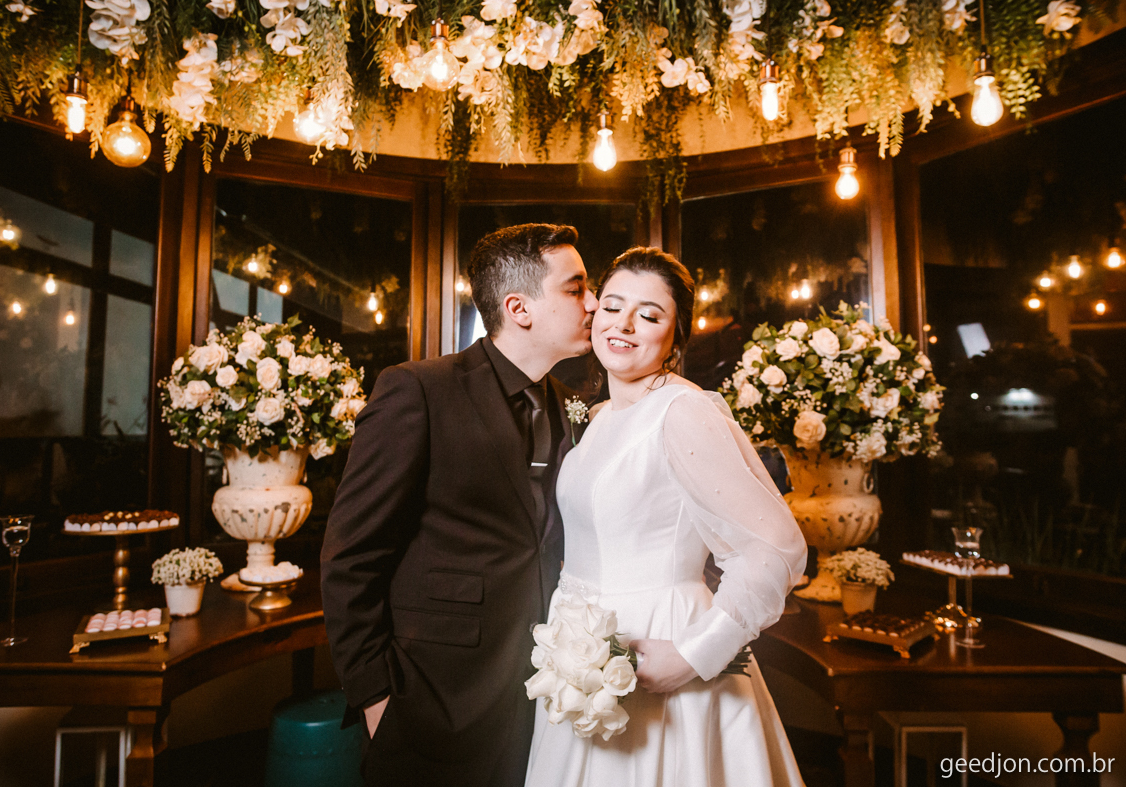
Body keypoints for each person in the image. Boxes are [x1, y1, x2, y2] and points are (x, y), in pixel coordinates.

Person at [321, 223, 599, 786]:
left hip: (544, 696)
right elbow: (351, 556)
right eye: (576, 289)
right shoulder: (419, 390)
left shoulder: (572, 405)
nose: (594, 303)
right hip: (434, 695)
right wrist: (375, 697)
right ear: (519, 308)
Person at [524, 247, 809, 787]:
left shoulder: (683, 411)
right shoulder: (600, 416)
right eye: (613, 306)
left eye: (649, 315)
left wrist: (695, 653)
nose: (624, 325)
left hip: (658, 639)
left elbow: (777, 547)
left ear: (676, 338)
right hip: (580, 650)